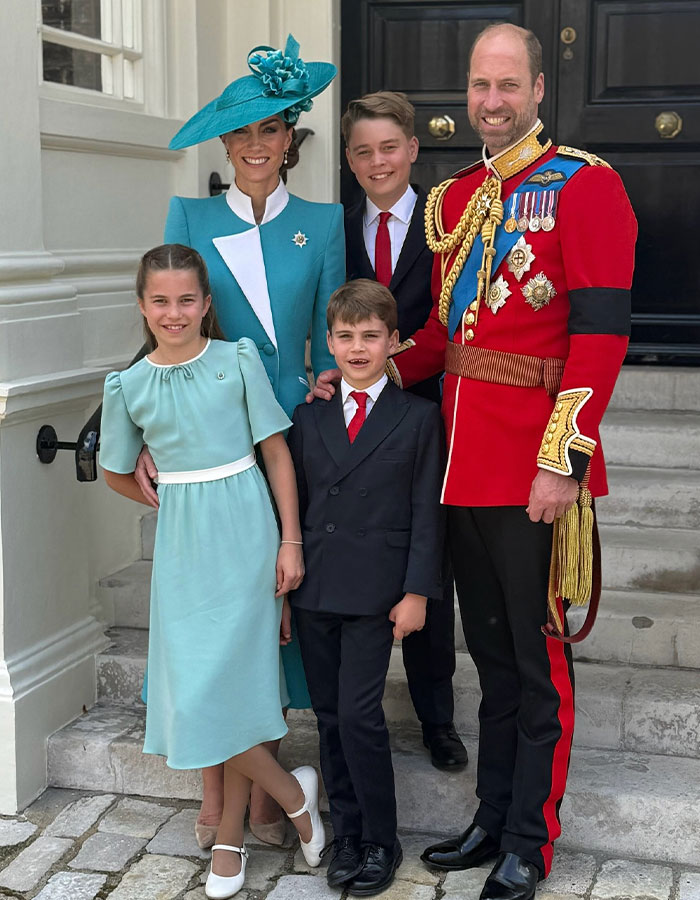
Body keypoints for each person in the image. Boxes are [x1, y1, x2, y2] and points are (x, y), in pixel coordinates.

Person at [313, 23, 637, 900]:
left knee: (536, 664)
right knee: (488, 660)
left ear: (538, 88)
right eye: (478, 85)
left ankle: (533, 838)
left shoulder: (586, 186)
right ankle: (494, 814)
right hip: (458, 465)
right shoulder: (453, 200)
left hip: (534, 466)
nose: (491, 102)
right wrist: (358, 374)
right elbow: (441, 343)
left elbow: (601, 337)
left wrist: (562, 459)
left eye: (507, 85)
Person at [132, 34, 345, 849]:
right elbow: (167, 318)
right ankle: (223, 799)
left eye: (270, 131)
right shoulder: (191, 215)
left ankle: (264, 785)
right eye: (241, 135)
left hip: (286, 433)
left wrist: (326, 380)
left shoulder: (323, 224)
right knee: (208, 616)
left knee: (270, 604)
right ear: (225, 145)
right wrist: (147, 428)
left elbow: (327, 340)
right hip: (208, 436)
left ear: (292, 137)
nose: (256, 147)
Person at [99, 244, 325, 899]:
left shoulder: (236, 361)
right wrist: (153, 483)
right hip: (183, 547)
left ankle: (229, 840)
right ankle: (294, 795)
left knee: (238, 693)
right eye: (161, 301)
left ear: (206, 304)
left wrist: (291, 542)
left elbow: (276, 455)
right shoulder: (129, 384)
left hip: (248, 532)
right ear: (143, 307)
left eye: (187, 300)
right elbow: (115, 468)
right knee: (197, 699)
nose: (175, 312)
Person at [288, 279, 444, 896]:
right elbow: (293, 503)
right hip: (316, 586)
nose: (358, 348)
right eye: (346, 337)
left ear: (394, 343)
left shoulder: (418, 418)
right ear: (328, 342)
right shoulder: (310, 414)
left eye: (371, 337)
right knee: (328, 717)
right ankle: (347, 831)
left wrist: (417, 592)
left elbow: (428, 513)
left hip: (379, 591)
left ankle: (383, 836)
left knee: (359, 715)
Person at [342, 90, 467, 771]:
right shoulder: (334, 227)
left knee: (429, 563)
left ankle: (438, 718)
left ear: (413, 150)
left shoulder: (448, 222)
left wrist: (384, 371)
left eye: (389, 147)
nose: (377, 161)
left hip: (430, 413)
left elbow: (450, 325)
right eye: (362, 150)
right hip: (356, 421)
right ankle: (347, 705)